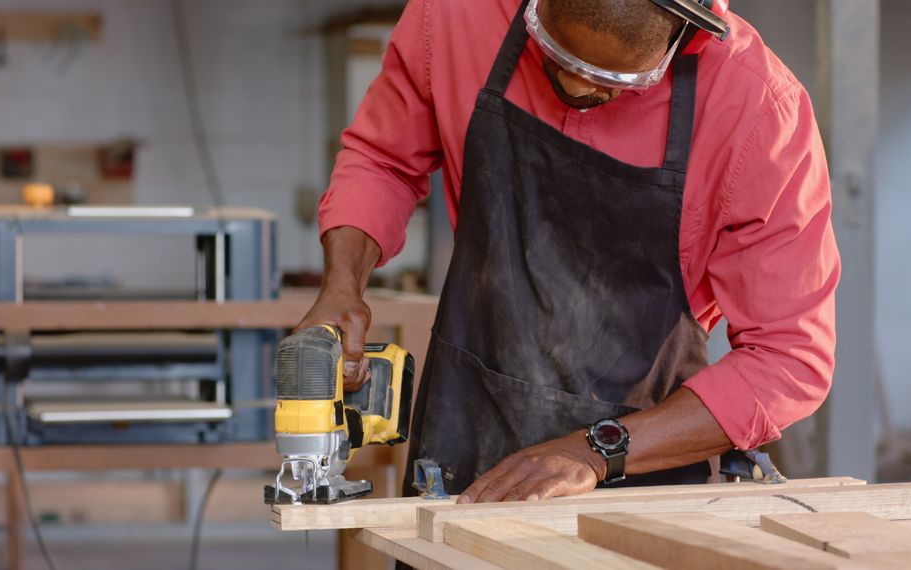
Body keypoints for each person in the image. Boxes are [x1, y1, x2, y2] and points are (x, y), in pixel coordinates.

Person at [295, 0, 840, 504]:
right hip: (462, 439)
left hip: (641, 467)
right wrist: (342, 284)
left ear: (685, 32)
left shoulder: (758, 112)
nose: (576, 86)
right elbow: (382, 158)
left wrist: (595, 450)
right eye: (554, 51)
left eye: (613, 79)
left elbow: (788, 360)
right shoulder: (459, 13)